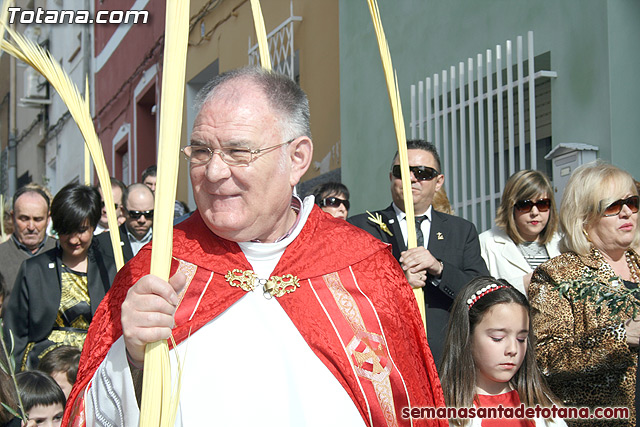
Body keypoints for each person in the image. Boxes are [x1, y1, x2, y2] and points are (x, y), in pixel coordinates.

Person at [64, 67, 446, 427]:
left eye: (238, 152)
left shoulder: (365, 267)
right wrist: (131, 357)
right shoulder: (158, 266)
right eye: (200, 151)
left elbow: (410, 402)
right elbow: (90, 412)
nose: (213, 172)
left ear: (297, 158)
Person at [348, 139, 489, 366]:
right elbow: (347, 293)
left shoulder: (461, 231)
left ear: (438, 181)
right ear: (391, 177)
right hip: (386, 360)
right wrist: (398, 283)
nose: (412, 178)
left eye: (423, 173)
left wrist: (440, 269)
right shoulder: (362, 227)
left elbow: (483, 292)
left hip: (447, 361)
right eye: (402, 171)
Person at [529, 160, 640, 426]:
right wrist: (620, 337)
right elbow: (547, 359)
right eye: (613, 206)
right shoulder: (557, 275)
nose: (627, 213)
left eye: (632, 203)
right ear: (584, 218)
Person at [3, 184, 117, 371]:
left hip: (95, 367)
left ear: (93, 226)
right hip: (43, 370)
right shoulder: (34, 269)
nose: (73, 240)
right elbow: (15, 333)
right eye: (66, 231)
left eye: (81, 230)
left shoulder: (110, 269)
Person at [440, 276, 565, 426]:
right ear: (467, 336)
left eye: (521, 339)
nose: (513, 350)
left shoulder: (543, 407)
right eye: (498, 338)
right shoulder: (442, 411)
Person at [479, 170, 562, 295]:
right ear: (510, 207)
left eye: (542, 204)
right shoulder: (487, 243)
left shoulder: (562, 244)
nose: (535, 212)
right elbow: (480, 296)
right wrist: (524, 283)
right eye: (525, 205)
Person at [0, 185, 56, 300]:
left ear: (48, 219)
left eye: (38, 219)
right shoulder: (2, 256)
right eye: (24, 219)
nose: (31, 227)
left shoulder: (62, 252)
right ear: (13, 217)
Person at [96, 183, 154, 262]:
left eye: (148, 214)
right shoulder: (104, 242)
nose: (142, 220)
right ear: (123, 211)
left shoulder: (167, 242)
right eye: (135, 214)